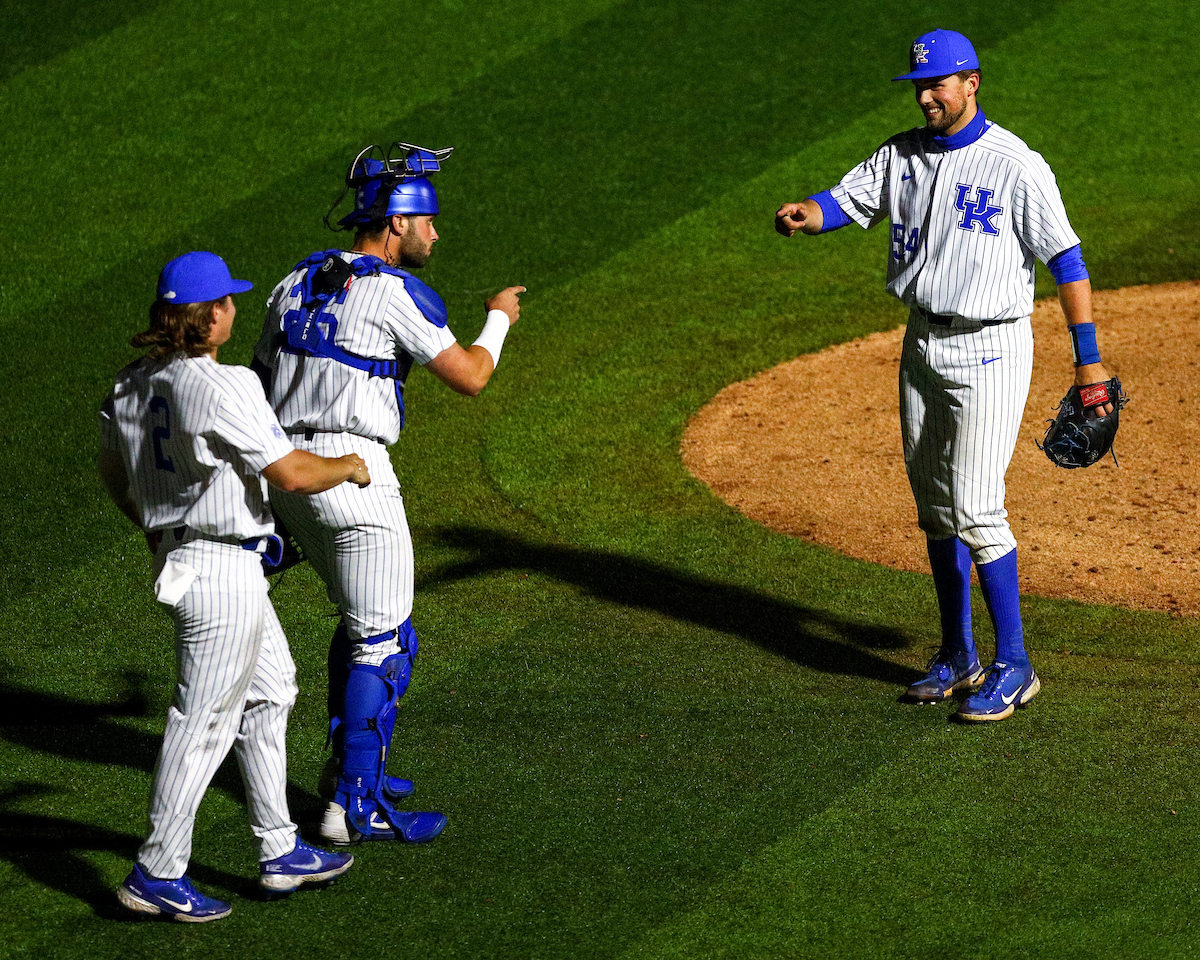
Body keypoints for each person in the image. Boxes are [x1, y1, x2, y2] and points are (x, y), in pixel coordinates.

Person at [774, 29, 1115, 721]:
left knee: (977, 508)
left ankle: (1014, 664)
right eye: (920, 86)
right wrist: (808, 214)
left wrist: (1089, 361)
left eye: (940, 84)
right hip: (922, 342)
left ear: (973, 83)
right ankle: (958, 653)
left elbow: (1067, 262)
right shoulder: (900, 153)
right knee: (934, 508)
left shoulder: (1016, 165)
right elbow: (847, 199)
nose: (927, 96)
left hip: (990, 347)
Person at [252, 142, 524, 842]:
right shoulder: (395, 292)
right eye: (427, 219)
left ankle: (353, 771)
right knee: (385, 639)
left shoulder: (294, 281)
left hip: (286, 472)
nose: (435, 232)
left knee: (357, 622)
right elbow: (470, 376)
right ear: (396, 223)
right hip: (354, 477)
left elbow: (254, 387)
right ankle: (352, 808)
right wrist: (498, 318)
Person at [99, 251, 371, 921]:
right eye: (228, 302)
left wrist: (158, 530)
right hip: (222, 574)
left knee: (271, 690)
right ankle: (157, 872)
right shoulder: (228, 387)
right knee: (203, 724)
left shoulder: (129, 386)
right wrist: (352, 465)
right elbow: (293, 474)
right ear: (212, 314)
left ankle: (279, 849)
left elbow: (116, 476)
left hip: (193, 564)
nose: (234, 310)